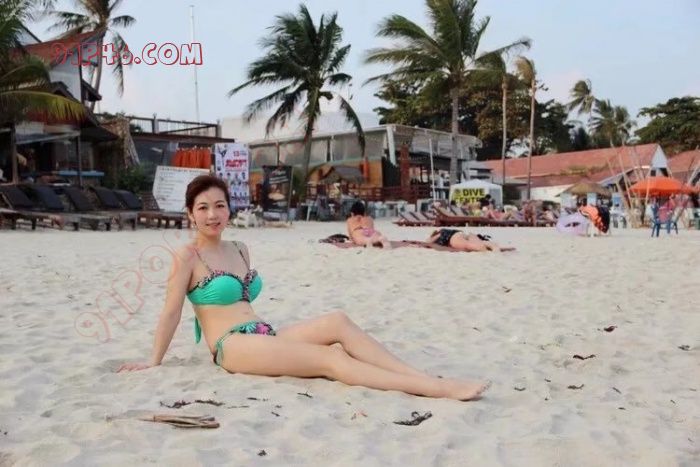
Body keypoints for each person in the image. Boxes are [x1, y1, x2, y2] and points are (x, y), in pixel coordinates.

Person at [117, 175, 487, 401]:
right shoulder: (187, 256)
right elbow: (171, 312)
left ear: (230, 209)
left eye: (219, 206)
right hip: (232, 346)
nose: (212, 215)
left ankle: (419, 376)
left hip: (263, 333)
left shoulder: (240, 248)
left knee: (337, 321)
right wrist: (153, 361)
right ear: (190, 214)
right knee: (331, 360)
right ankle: (437, 389)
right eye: (202, 208)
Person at [426, 228, 502, 252]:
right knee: (472, 240)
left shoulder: (438, 234)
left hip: (452, 238)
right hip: (459, 233)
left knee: (471, 246)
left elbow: (427, 243)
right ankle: (489, 244)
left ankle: (488, 246)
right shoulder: (442, 231)